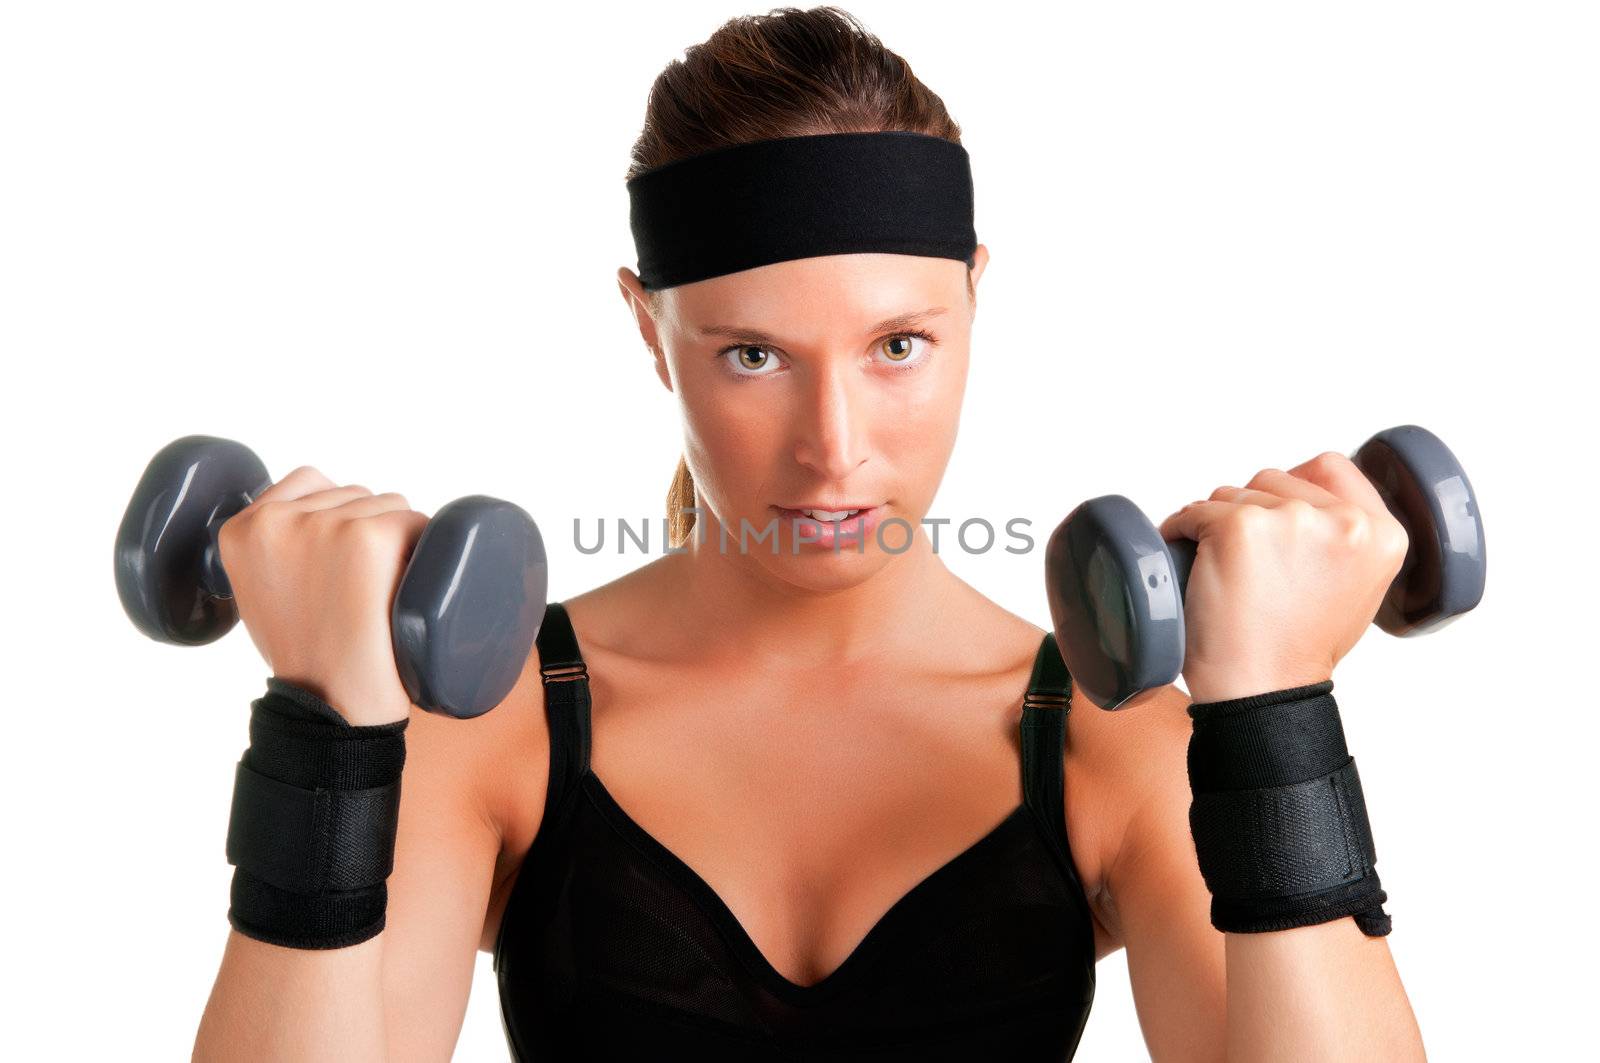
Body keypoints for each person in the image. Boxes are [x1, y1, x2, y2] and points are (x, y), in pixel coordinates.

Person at [194, 7, 1427, 1060]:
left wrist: (1273, 717)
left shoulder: (1112, 742)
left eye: (899, 345)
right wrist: (328, 731)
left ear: (973, 301)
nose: (831, 445)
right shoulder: (494, 726)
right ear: (646, 329)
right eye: (751, 354)